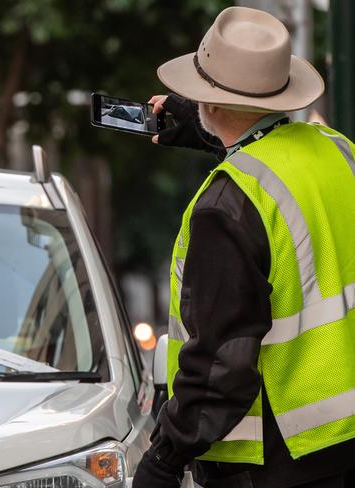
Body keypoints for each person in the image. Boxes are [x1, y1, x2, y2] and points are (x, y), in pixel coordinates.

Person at [132, 6, 355, 488]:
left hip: (275, 461)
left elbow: (219, 367)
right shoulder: (339, 150)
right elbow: (282, 169)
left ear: (207, 102)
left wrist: (165, 458)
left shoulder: (224, 208)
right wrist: (211, 130)